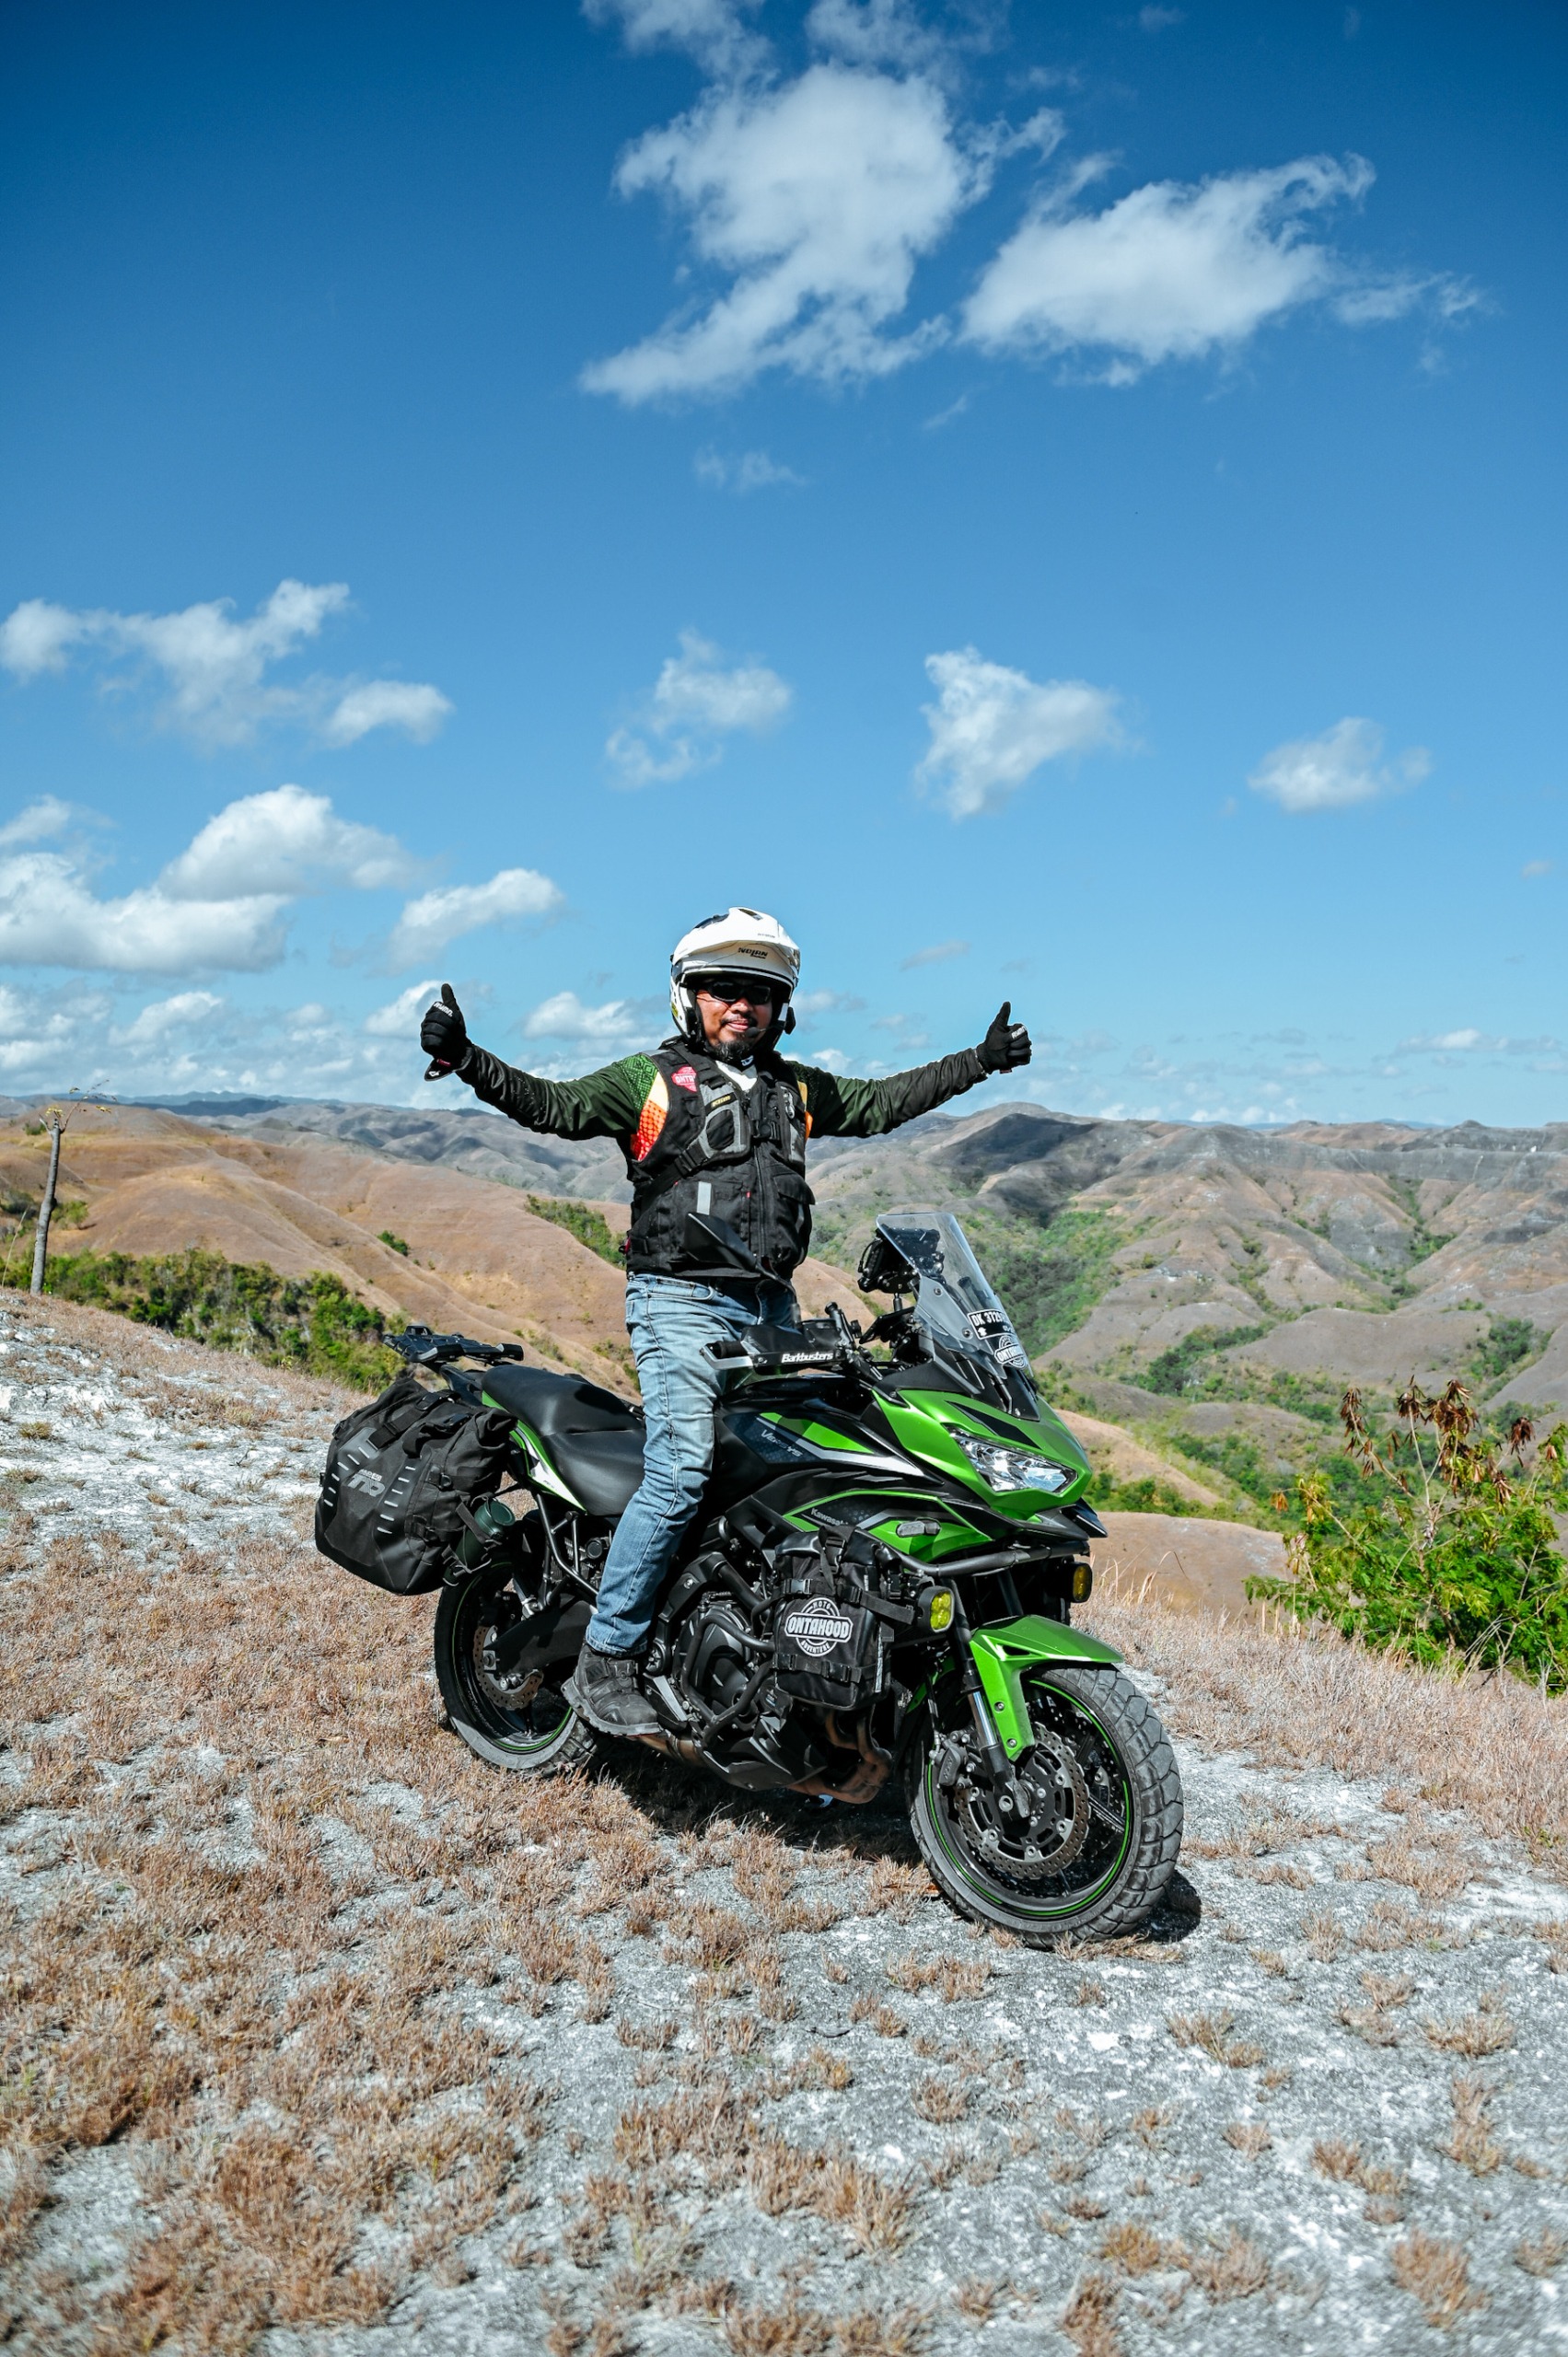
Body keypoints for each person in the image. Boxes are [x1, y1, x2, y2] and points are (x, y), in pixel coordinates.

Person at [419, 907, 1030, 1737]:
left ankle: (773, 1644)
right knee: (681, 1471)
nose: (742, 1005)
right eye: (722, 989)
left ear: (782, 1007)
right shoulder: (648, 1082)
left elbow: (885, 1102)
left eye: (759, 992)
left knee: (796, 1472)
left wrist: (978, 1062)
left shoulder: (794, 1090)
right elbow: (552, 1107)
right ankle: (608, 1653)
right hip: (678, 1301)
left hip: (770, 1310)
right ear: (689, 997)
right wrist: (466, 1059)